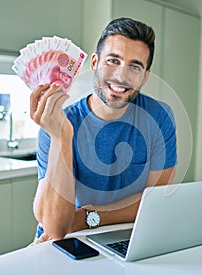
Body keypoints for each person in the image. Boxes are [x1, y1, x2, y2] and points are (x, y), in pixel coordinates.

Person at [30, 17, 177, 243]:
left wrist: (89, 216)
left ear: (145, 76)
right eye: (113, 61)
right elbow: (56, 227)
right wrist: (62, 138)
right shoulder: (58, 122)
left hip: (124, 238)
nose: (121, 76)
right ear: (95, 62)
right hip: (69, 242)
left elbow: (156, 203)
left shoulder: (160, 118)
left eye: (135, 67)